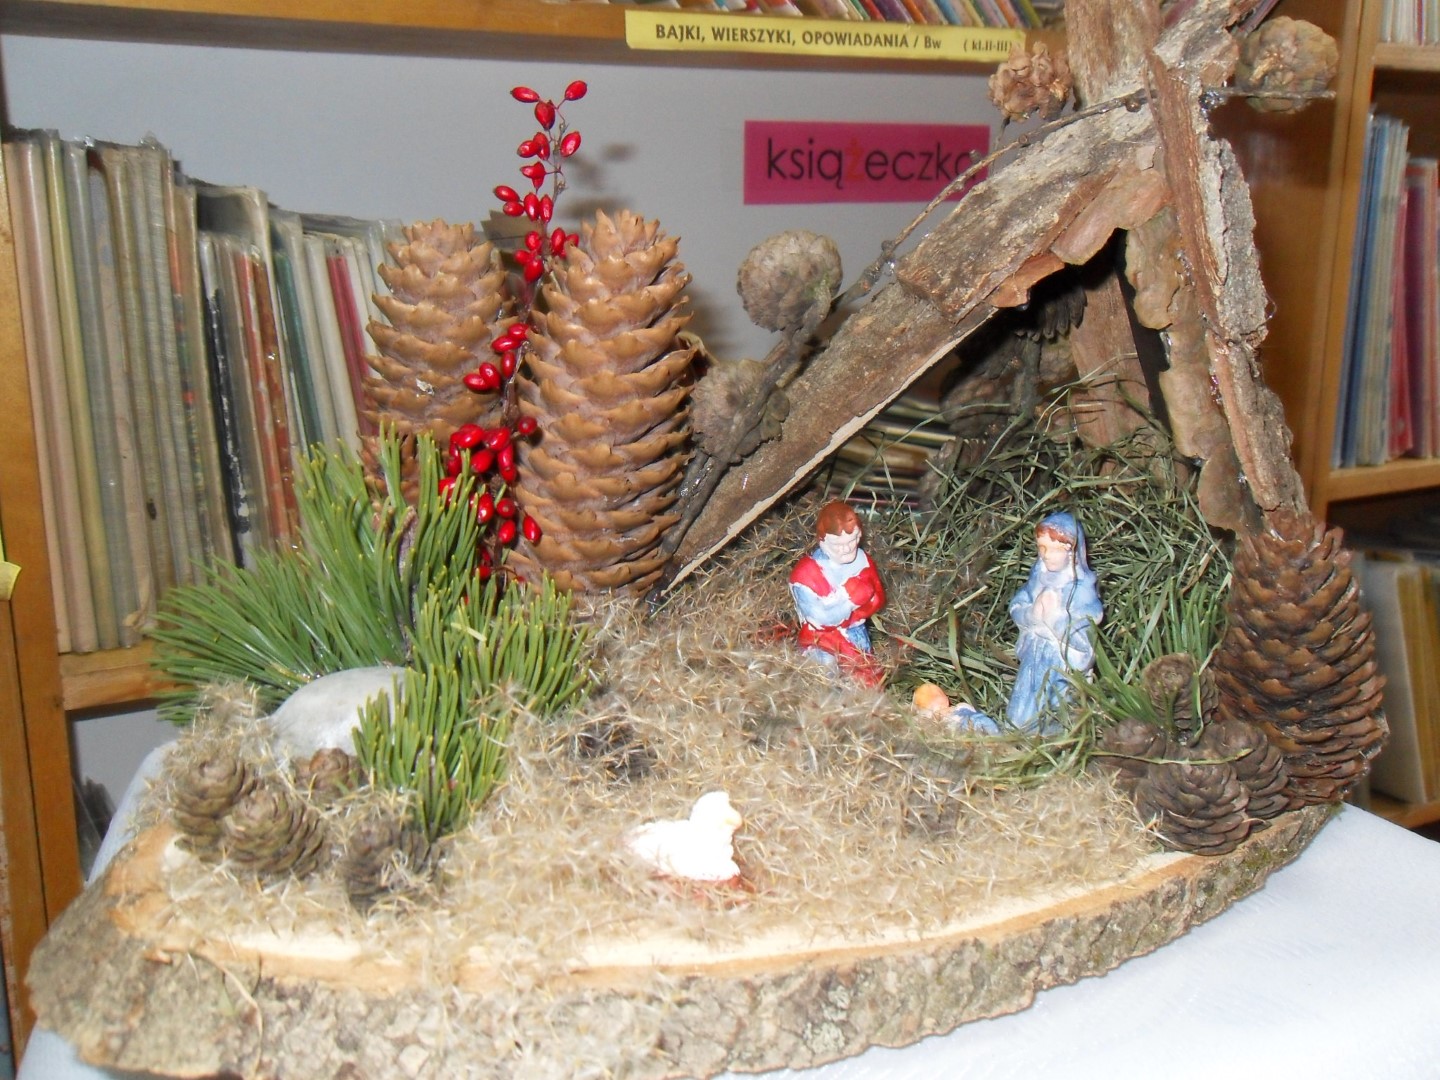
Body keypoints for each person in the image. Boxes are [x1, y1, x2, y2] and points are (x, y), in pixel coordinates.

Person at [1006, 511, 1102, 731]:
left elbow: (1085, 634)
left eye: (1055, 549)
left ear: (1071, 551)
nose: (1047, 555)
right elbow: (1018, 604)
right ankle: (1017, 733)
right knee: (1021, 711)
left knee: (1055, 710)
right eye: (1042, 548)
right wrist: (1032, 614)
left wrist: (1056, 619)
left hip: (1061, 663)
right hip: (1034, 655)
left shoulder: (1080, 590)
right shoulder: (1037, 579)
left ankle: (1051, 736)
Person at [789, 500, 886, 684]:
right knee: (826, 675)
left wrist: (861, 604)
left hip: (856, 632)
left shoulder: (862, 560)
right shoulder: (806, 574)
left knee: (866, 677)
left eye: (852, 540)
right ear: (822, 541)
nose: (847, 548)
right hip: (821, 641)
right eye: (837, 545)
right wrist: (849, 599)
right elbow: (820, 619)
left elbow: (877, 597)